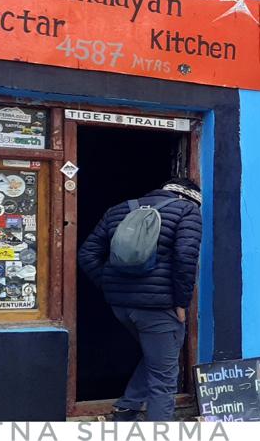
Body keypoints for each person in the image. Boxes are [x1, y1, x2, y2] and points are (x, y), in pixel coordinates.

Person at [78, 176, 203, 421]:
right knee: (164, 380)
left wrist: (110, 286)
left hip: (121, 306)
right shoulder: (187, 212)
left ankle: (128, 407)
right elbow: (185, 260)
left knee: (155, 355)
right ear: (191, 198)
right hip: (159, 308)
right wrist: (181, 302)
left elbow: (87, 254)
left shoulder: (119, 210)